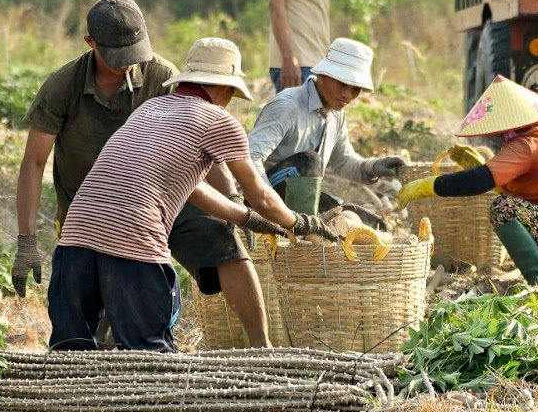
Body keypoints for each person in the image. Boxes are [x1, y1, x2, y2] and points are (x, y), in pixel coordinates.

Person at [12, 0, 271, 347]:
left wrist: (233, 203)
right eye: (117, 56)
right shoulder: (63, 86)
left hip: (168, 197)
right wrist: (26, 241)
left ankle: (261, 347)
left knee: (224, 246)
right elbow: (34, 163)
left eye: (134, 53)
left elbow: (206, 143)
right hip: (94, 207)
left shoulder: (162, 75)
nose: (127, 65)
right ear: (90, 43)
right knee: (97, 329)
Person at [47, 37, 337, 351]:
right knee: (151, 357)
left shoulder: (150, 108)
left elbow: (191, 187)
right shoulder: (218, 120)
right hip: (135, 246)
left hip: (74, 240)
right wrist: (301, 223)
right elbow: (263, 195)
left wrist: (244, 216)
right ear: (226, 89)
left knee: (70, 354)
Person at [396, 76, 538, 285]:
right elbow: (529, 199)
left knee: (504, 209)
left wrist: (426, 186)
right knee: (514, 207)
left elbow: (479, 182)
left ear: (510, 128)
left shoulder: (528, 145)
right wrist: (490, 175)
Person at [247, 38, 405, 214]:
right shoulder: (288, 106)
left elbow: (343, 162)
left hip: (296, 198)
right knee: (309, 161)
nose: (348, 95)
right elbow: (250, 156)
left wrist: (374, 167)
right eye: (343, 84)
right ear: (323, 75)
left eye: (355, 89)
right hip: (259, 198)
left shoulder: (336, 115)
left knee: (364, 220)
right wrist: (267, 201)